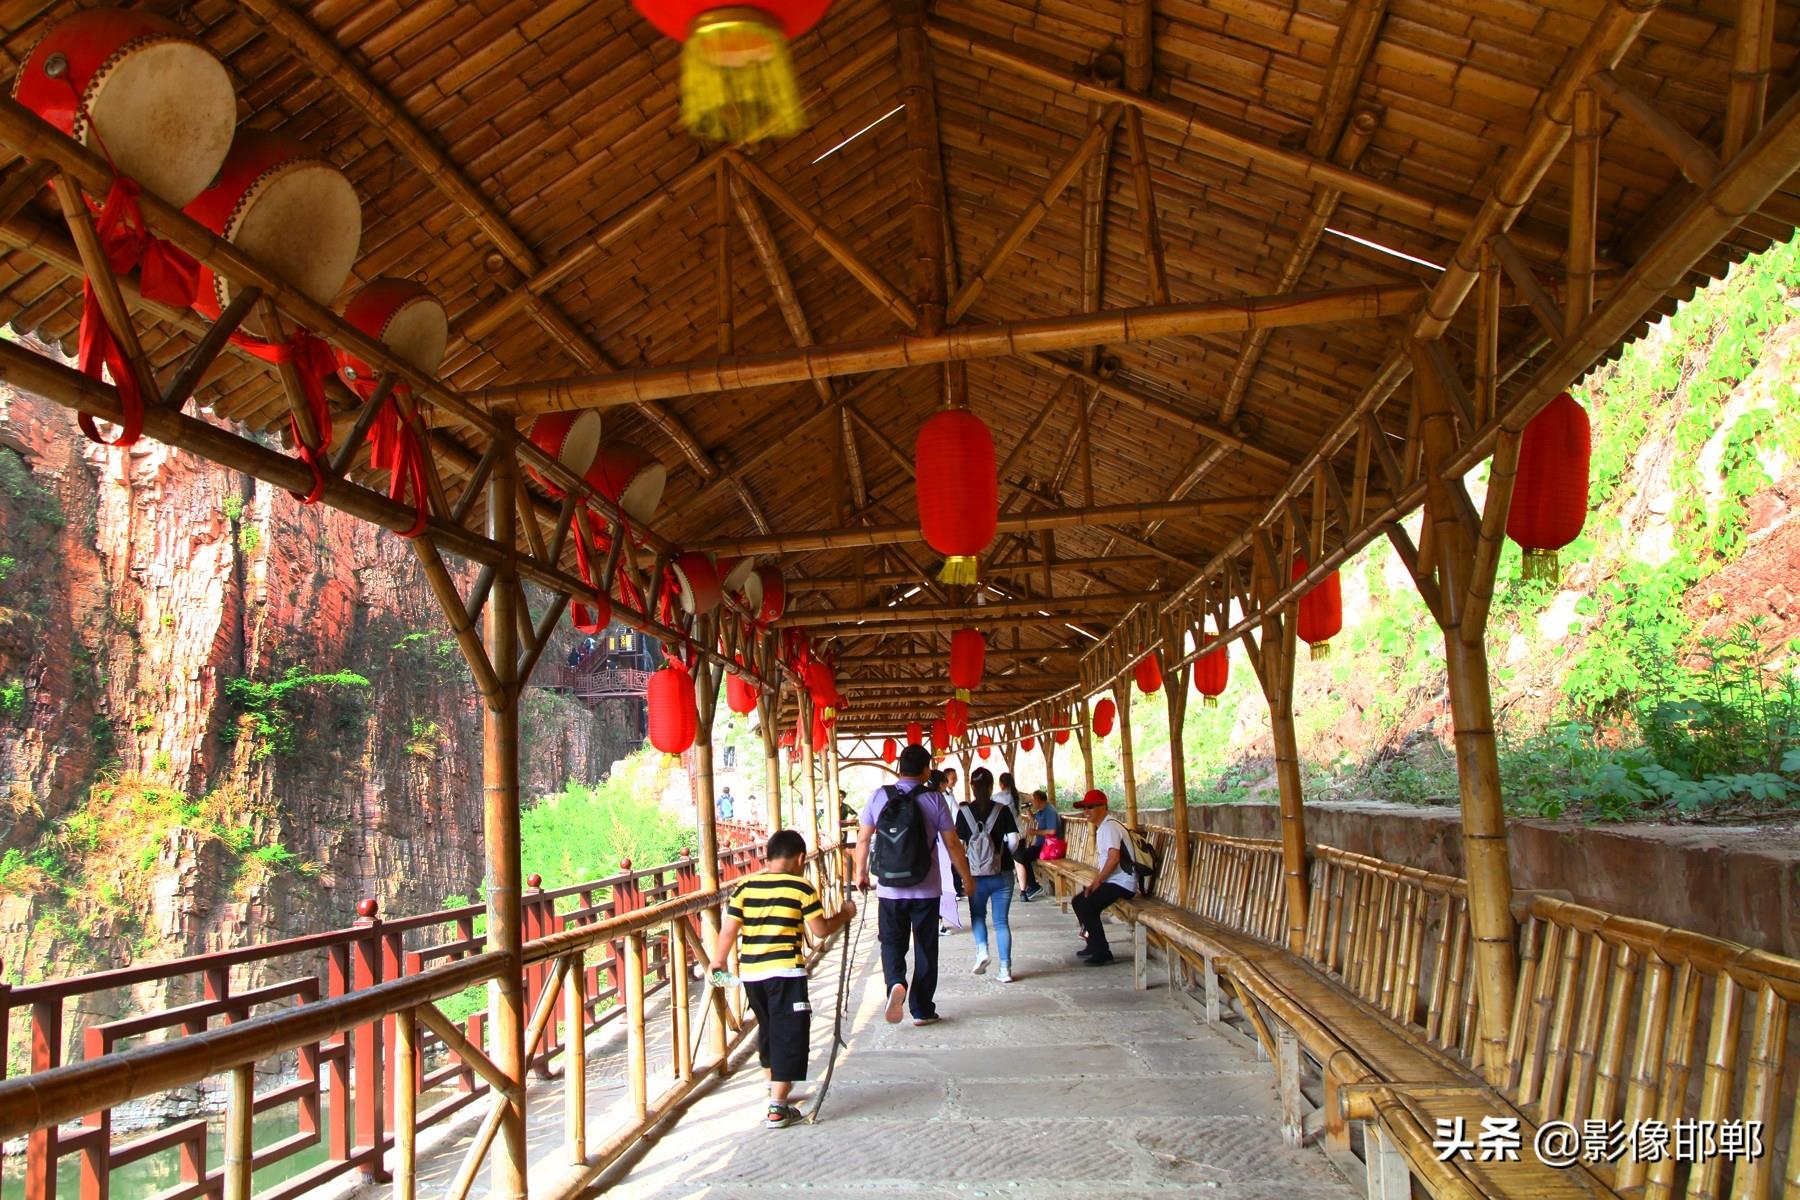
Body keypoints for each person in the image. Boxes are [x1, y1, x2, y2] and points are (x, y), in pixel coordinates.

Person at [708, 828, 856, 1128]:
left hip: (752, 974)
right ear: (801, 858)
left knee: (769, 1027)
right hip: (786, 972)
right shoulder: (800, 888)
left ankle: (774, 1085)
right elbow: (821, 930)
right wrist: (845, 914)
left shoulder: (745, 887)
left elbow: (728, 930)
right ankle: (777, 1107)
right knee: (789, 1032)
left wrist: (718, 960)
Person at [855, 744, 975, 1026]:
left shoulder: (878, 797)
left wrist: (860, 873)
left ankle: (896, 982)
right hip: (926, 888)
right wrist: (967, 878)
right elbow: (953, 843)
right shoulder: (934, 799)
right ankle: (921, 1009)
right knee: (925, 947)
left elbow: (863, 839)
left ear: (898, 768)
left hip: (889, 889)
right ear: (926, 769)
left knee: (891, 943)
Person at [955, 767, 1019, 982]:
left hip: (975, 875)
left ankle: (982, 951)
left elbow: (958, 844)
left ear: (972, 787)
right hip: (1002, 873)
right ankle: (1005, 970)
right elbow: (1014, 840)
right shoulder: (1002, 810)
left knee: (978, 915)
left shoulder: (963, 813)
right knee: (1001, 922)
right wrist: (1001, 856)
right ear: (992, 787)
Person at [1070, 789, 1136, 967]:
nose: (1087, 811)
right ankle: (1092, 944)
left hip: (1123, 883)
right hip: (1114, 881)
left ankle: (1102, 952)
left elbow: (1113, 858)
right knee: (1079, 901)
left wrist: (1097, 881)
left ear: (1104, 807)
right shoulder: (1105, 827)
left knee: (1087, 905)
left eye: (1091, 807)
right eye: (1085, 807)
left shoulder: (1109, 827)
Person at [930, 768, 965, 936]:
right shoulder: (940, 799)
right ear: (942, 783)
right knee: (941, 884)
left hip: (930, 847)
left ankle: (936, 922)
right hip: (942, 845)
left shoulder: (926, 798)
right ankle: (938, 922)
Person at [1015, 788, 1064, 901]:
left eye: (1033, 800)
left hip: (1049, 846)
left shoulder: (1050, 811)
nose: (1032, 802)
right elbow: (1034, 818)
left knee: (1023, 856)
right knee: (1021, 855)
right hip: (1042, 845)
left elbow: (1052, 831)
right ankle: (1032, 885)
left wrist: (1035, 832)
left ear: (1038, 800)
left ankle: (1034, 886)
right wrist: (1028, 809)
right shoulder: (1042, 810)